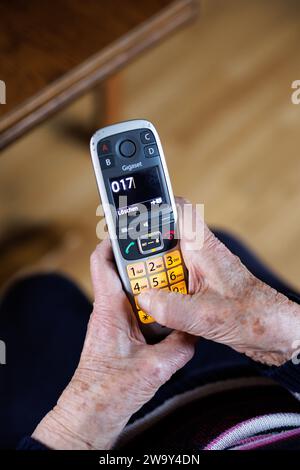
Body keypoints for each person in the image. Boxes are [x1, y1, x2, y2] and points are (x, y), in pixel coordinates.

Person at [1, 201, 300, 450]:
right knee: (212, 244)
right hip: (265, 380)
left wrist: (75, 429)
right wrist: (288, 340)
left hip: (135, 434)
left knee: (39, 296)